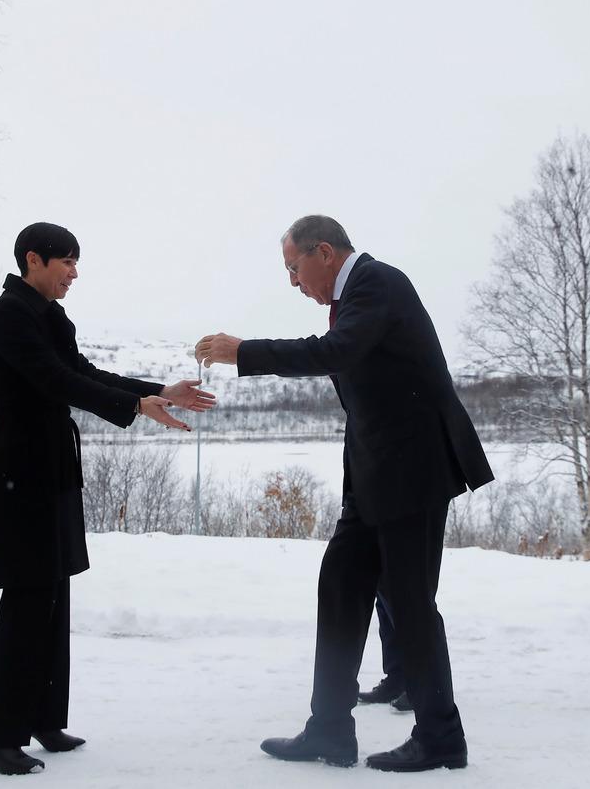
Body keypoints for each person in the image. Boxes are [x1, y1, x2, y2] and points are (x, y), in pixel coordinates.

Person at [195, 215, 493, 772]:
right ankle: (329, 729)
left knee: (410, 606)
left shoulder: (378, 283)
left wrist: (245, 351)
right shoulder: (358, 293)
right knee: (340, 588)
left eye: (293, 268)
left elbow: (335, 352)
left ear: (324, 252)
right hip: (375, 474)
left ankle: (441, 739)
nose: (293, 282)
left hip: (414, 470)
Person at [0, 222, 215, 775]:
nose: (75, 273)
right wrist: (136, 409)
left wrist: (153, 392)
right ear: (34, 259)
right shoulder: (8, 315)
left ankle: (42, 718)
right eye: (67, 262)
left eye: (76, 263)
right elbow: (56, 380)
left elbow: (82, 371)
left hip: (50, 463)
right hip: (19, 466)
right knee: (28, 597)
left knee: (53, 595)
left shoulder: (49, 316)